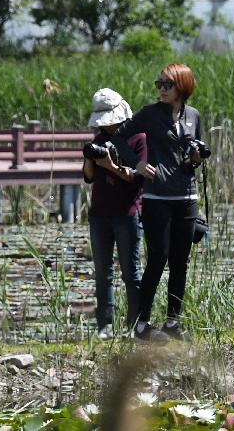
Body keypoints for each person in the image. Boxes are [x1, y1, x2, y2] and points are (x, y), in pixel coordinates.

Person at [111, 63, 209, 342]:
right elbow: (119, 138)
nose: (161, 89)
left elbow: (195, 153)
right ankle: (141, 325)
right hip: (157, 197)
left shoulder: (193, 116)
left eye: (167, 84)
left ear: (183, 87)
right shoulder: (150, 114)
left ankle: (172, 322)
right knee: (158, 258)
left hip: (187, 196)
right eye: (159, 84)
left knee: (181, 262)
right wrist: (137, 164)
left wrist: (196, 158)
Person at [82, 88, 146, 340]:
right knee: (102, 272)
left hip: (127, 213)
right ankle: (104, 326)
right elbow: (88, 177)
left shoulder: (138, 138)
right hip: (99, 214)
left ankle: (134, 325)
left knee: (131, 272)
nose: (105, 127)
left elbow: (138, 179)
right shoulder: (97, 139)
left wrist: (111, 166)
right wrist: (90, 157)